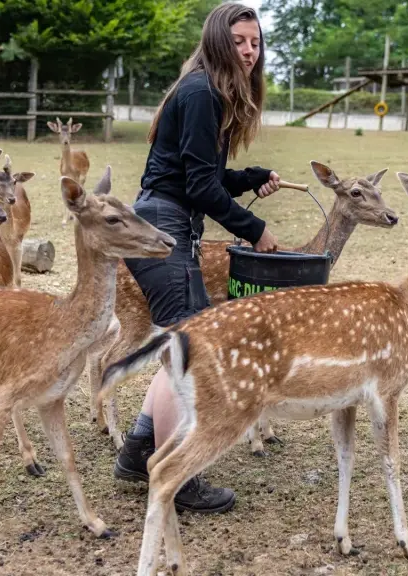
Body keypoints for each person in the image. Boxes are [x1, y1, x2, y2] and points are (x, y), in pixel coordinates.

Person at [112, 3, 280, 514]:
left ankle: (139, 449)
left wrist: (248, 176)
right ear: (216, 41)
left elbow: (198, 173)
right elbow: (199, 186)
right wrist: (255, 230)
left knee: (178, 345)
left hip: (164, 219)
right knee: (184, 352)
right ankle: (176, 474)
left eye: (254, 42)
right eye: (239, 41)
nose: (248, 51)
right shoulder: (203, 91)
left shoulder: (204, 89)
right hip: (165, 226)